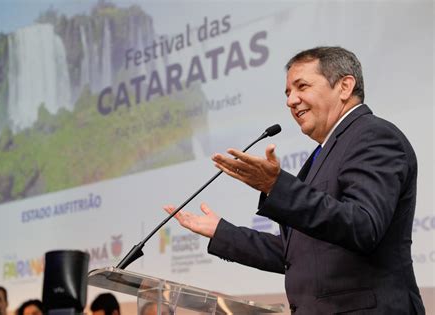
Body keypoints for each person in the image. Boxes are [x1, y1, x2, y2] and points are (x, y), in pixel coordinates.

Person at [164, 46, 425, 314]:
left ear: (345, 86)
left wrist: (277, 186)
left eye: (302, 87)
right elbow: (298, 255)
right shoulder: (324, 152)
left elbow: (363, 225)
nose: (291, 100)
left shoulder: (373, 135)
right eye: (288, 93)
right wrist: (222, 232)